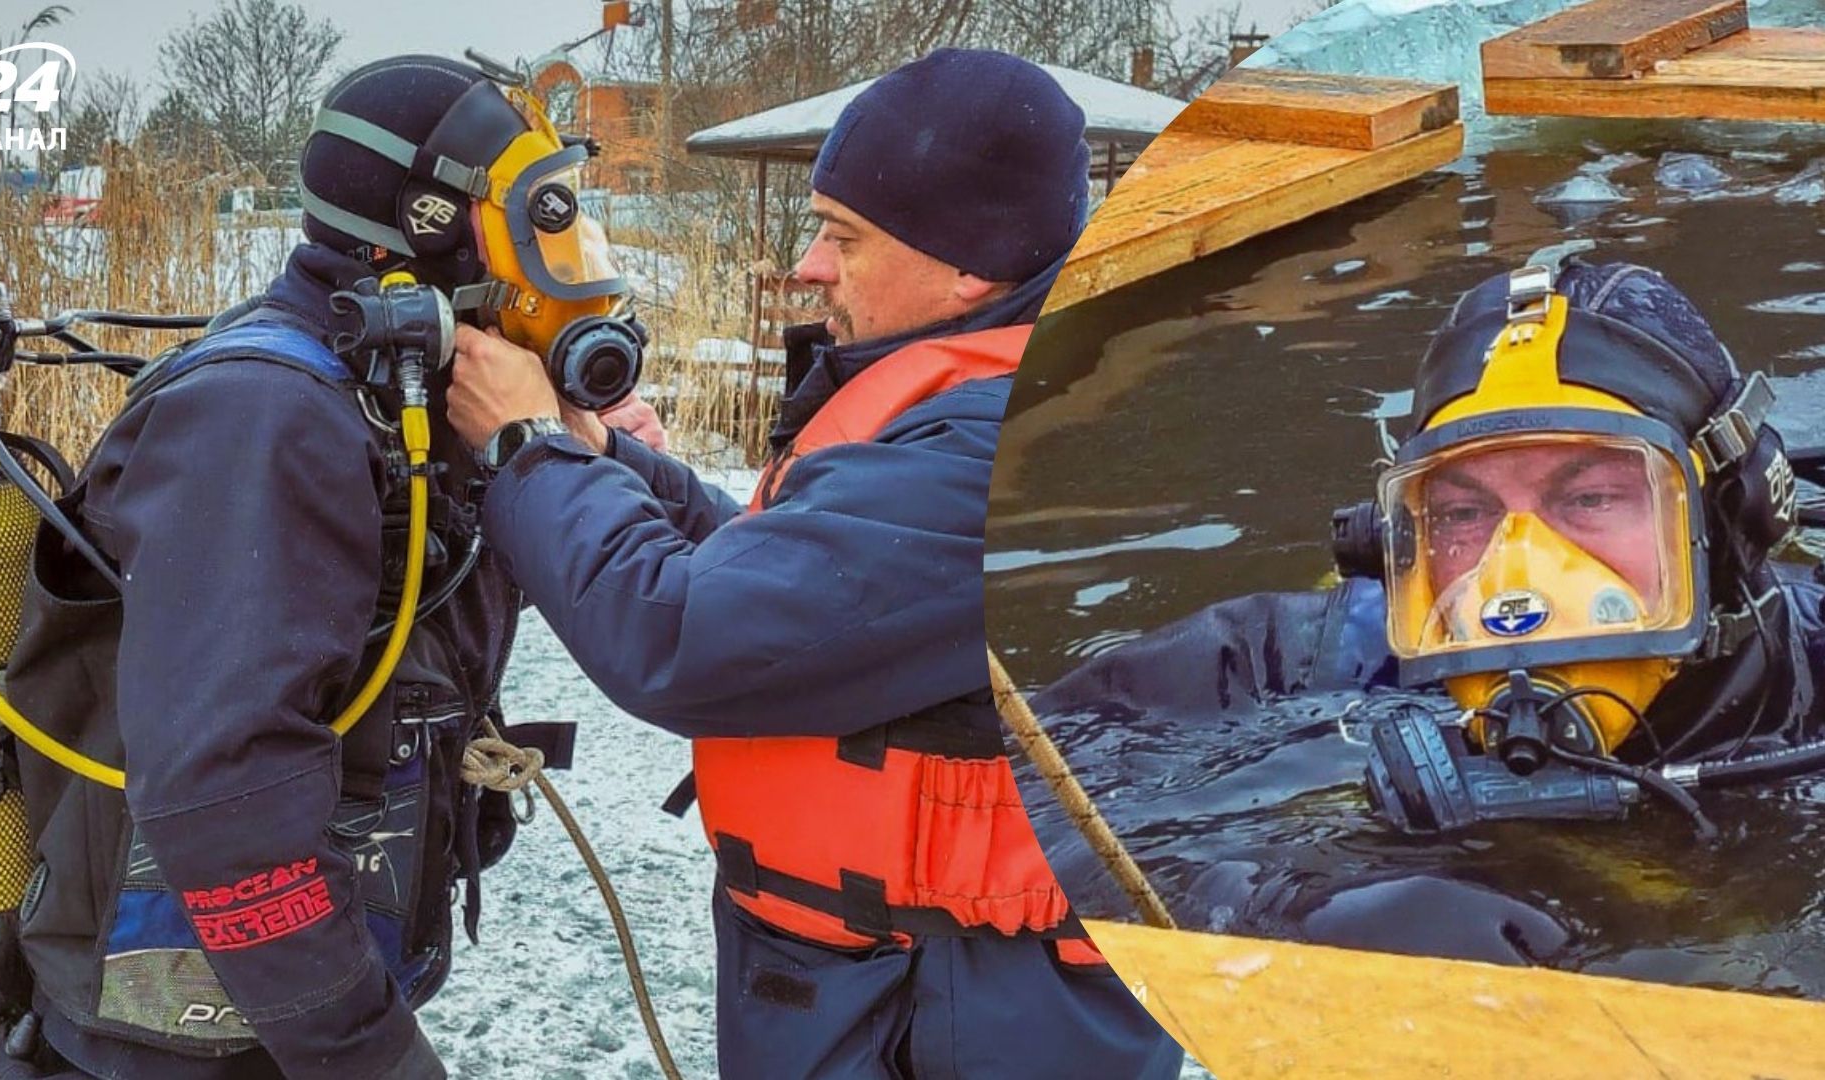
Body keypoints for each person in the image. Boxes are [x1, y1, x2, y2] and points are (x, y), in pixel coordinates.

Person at [445, 48, 1183, 1079]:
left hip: (951, 1011)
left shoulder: (1003, 452)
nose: (808, 265)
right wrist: (611, 461)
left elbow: (687, 638)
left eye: (844, 236)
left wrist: (528, 450)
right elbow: (795, 570)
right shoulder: (1011, 385)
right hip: (910, 983)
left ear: (970, 263)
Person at [0, 54, 646, 1078]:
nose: (567, 253)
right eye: (543, 216)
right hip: (182, 1025)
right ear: (432, 223)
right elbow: (226, 791)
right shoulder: (266, 415)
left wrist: (565, 453)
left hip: (284, 1010)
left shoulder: (405, 391)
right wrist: (371, 1059)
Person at [1027, 251, 1824, 965]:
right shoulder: (1308, 659)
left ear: (1732, 517)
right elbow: (1002, 803)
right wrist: (1281, 910)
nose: (1518, 576)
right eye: (1462, 513)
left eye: (1589, 495)